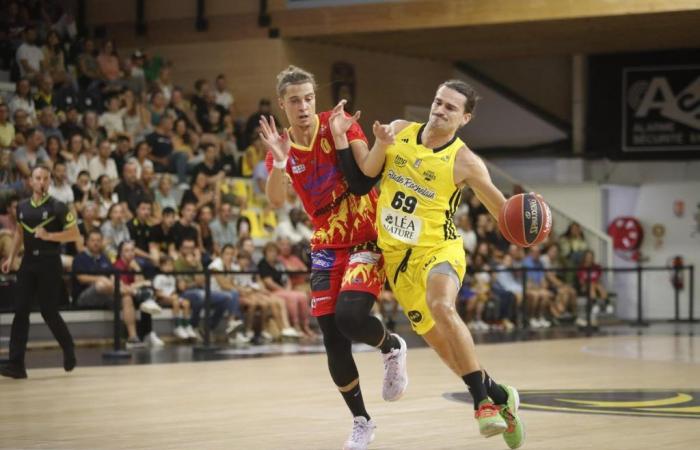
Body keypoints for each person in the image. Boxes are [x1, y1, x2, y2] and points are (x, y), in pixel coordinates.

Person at [336, 79, 525, 447]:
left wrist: (527, 216)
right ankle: (502, 397)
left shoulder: (466, 161)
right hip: (398, 261)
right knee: (447, 352)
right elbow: (365, 176)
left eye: (451, 107)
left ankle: (482, 404)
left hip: (439, 250)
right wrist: (374, 141)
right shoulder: (400, 131)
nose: (440, 110)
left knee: (441, 305)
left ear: (465, 118)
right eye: (438, 102)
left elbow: (503, 211)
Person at [260, 65, 407, 450]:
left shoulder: (338, 123)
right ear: (283, 105)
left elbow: (365, 172)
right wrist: (278, 162)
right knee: (331, 337)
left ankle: (390, 345)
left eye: (309, 98)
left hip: (367, 235)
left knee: (351, 317)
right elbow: (276, 200)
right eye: (295, 101)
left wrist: (378, 143)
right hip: (326, 242)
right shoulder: (282, 145)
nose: (304, 106)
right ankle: (361, 421)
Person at [0, 165, 79, 379]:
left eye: (45, 178)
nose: (42, 181)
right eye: (38, 178)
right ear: (31, 181)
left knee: (48, 311)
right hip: (28, 262)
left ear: (49, 181)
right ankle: (16, 364)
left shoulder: (58, 207)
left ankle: (68, 347)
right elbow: (19, 232)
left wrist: (50, 236)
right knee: (21, 310)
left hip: (49, 262)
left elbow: (74, 234)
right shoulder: (22, 207)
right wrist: (11, 257)